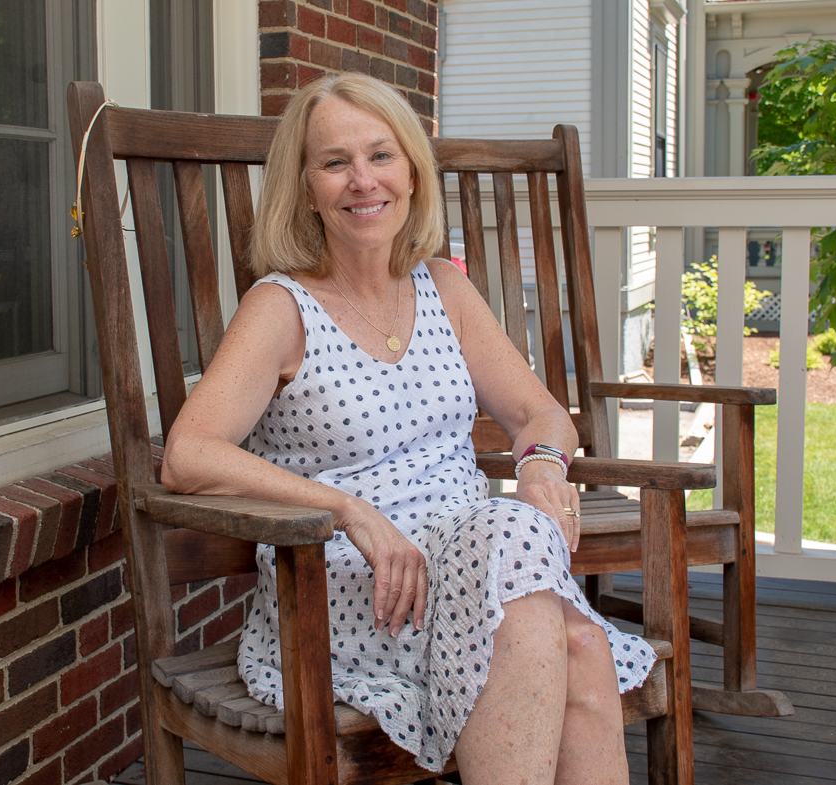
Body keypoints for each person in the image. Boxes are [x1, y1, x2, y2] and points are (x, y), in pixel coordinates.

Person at [160, 72, 654, 784]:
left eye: (381, 155)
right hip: (354, 586)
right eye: (335, 163)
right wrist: (346, 508)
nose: (363, 180)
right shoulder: (282, 307)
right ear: (305, 187)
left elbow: (540, 414)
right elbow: (187, 454)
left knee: (549, 601)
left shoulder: (443, 288)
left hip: (476, 560)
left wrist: (543, 465)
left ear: (414, 173)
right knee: (574, 638)